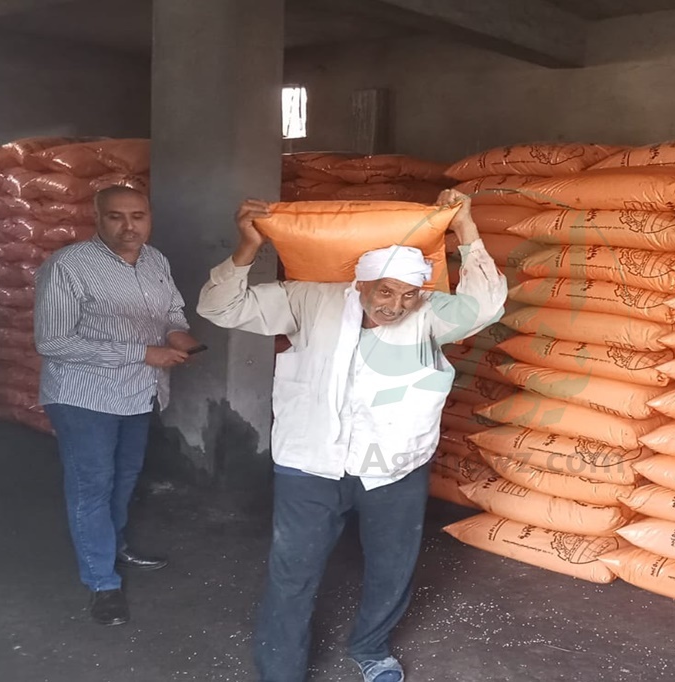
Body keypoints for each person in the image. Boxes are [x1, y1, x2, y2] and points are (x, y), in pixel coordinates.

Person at [197, 189, 506, 682]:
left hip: (394, 465)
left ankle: (371, 648)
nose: (396, 306)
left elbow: (486, 304)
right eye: (385, 292)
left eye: (408, 294)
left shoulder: (429, 314)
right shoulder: (309, 299)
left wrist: (465, 227)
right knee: (293, 570)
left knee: (391, 567)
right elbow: (220, 306)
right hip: (310, 462)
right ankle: (281, 671)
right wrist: (248, 246)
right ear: (360, 284)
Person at [34, 185, 201, 627]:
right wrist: (143, 352)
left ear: (150, 218)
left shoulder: (155, 260)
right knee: (93, 485)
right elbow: (53, 342)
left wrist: (179, 335)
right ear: (97, 218)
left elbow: (172, 312)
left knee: (125, 476)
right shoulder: (68, 266)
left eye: (138, 216)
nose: (129, 226)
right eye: (116, 216)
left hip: (138, 392)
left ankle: (113, 545)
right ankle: (102, 582)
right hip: (83, 395)